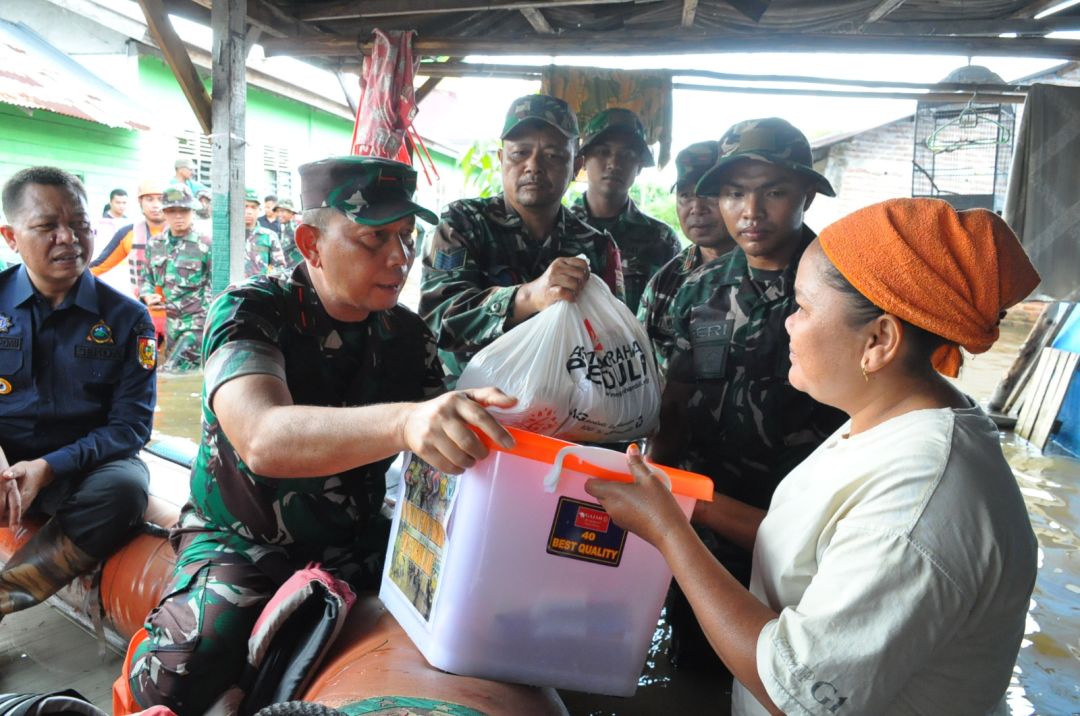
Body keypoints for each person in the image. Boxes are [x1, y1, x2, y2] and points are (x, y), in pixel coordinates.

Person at [587, 198, 1040, 716]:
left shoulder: (921, 501)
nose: (787, 325)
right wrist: (694, 504)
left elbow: (794, 691)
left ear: (879, 340)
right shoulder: (886, 419)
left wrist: (670, 533)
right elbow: (816, 548)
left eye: (802, 307)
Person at [128, 156, 517, 713]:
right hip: (246, 540)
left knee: (480, 624)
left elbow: (439, 465)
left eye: (406, 238)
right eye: (373, 239)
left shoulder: (408, 334)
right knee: (182, 672)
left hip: (359, 541)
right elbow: (262, 437)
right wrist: (406, 421)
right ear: (310, 242)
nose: (399, 258)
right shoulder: (253, 308)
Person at [650, 118, 846, 670]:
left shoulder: (842, 286)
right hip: (705, 518)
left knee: (799, 669)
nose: (751, 212)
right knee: (697, 656)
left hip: (804, 527)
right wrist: (655, 488)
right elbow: (675, 400)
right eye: (735, 193)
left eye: (774, 192)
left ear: (807, 193)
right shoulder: (698, 289)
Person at [0, 166, 156, 625]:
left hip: (80, 468)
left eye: (80, 225)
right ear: (11, 235)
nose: (69, 238)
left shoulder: (128, 319)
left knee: (126, 487)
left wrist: (49, 468)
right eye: (48, 226)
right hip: (5, 460)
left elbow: (131, 427)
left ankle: (4, 598)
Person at [420, 94, 624, 380]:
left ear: (576, 167)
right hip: (471, 406)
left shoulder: (596, 246)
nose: (534, 166)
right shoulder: (463, 222)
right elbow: (439, 321)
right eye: (519, 153)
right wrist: (528, 296)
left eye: (553, 155)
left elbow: (613, 341)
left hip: (567, 411)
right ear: (501, 159)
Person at [637, 140, 735, 373]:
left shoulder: (767, 272)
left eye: (710, 195)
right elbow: (638, 358)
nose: (696, 208)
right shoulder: (665, 282)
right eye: (685, 195)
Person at [570, 108, 679, 315]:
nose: (614, 164)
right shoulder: (556, 229)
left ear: (639, 167)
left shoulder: (662, 240)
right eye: (603, 152)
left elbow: (671, 314)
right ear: (583, 161)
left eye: (627, 155)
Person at [140, 185, 212, 372]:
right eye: (172, 211)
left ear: (193, 211)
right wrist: (148, 295)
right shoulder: (155, 244)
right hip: (171, 324)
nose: (178, 216)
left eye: (184, 211)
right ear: (165, 213)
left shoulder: (205, 244)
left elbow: (218, 286)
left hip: (198, 323)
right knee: (183, 376)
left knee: (172, 371)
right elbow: (146, 278)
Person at [89, 180, 167, 343]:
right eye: (149, 199)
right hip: (144, 314)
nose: (155, 205)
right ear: (140, 202)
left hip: (182, 318)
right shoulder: (129, 233)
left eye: (161, 199)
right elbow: (99, 266)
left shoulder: (186, 235)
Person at [243, 188, 286, 278]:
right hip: (231, 290)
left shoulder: (269, 237)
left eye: (253, 207)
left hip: (258, 289)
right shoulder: (228, 237)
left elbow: (279, 269)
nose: (249, 212)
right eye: (245, 206)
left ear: (259, 210)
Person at [276, 197, 302, 268]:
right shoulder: (283, 226)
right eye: (278, 211)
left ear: (291, 213)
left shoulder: (295, 228)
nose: (279, 214)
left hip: (294, 268)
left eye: (282, 211)